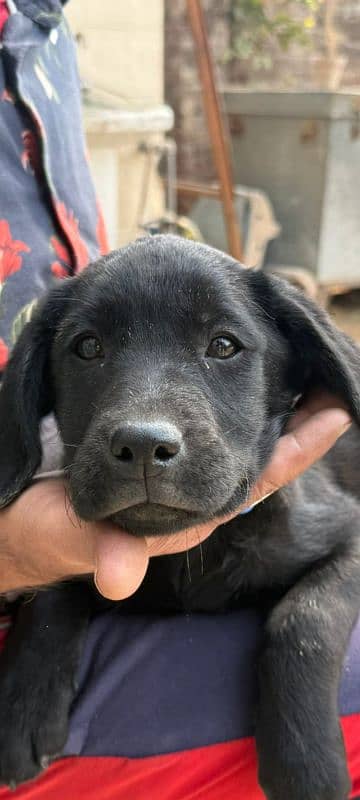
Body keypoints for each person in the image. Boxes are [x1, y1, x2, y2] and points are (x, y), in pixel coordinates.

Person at [0, 2, 359, 799]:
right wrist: (43, 596)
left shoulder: (42, 33)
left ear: (287, 374)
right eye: (89, 350)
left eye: (224, 347)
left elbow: (347, 547)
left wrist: (297, 656)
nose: (145, 421)